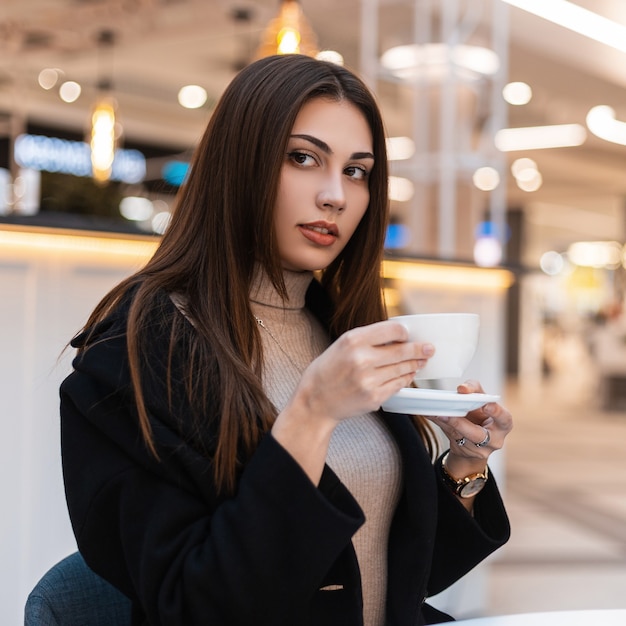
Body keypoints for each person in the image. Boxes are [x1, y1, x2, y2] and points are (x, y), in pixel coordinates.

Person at [60, 54, 512, 626]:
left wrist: (464, 466)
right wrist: (311, 414)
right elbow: (199, 604)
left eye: (357, 171)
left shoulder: (339, 327)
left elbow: (388, 572)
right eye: (303, 158)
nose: (335, 196)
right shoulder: (133, 357)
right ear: (238, 164)